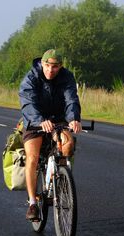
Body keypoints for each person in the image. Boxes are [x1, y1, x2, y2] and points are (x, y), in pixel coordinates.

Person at [19, 49, 82, 221]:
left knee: (68, 144)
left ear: (60, 66)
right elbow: (28, 101)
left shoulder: (67, 77)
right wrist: (40, 119)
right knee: (32, 156)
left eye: (55, 67)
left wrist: (74, 119)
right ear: (43, 63)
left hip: (58, 121)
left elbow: (71, 100)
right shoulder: (32, 77)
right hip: (34, 122)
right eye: (47, 65)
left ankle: (59, 180)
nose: (50, 70)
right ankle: (32, 203)